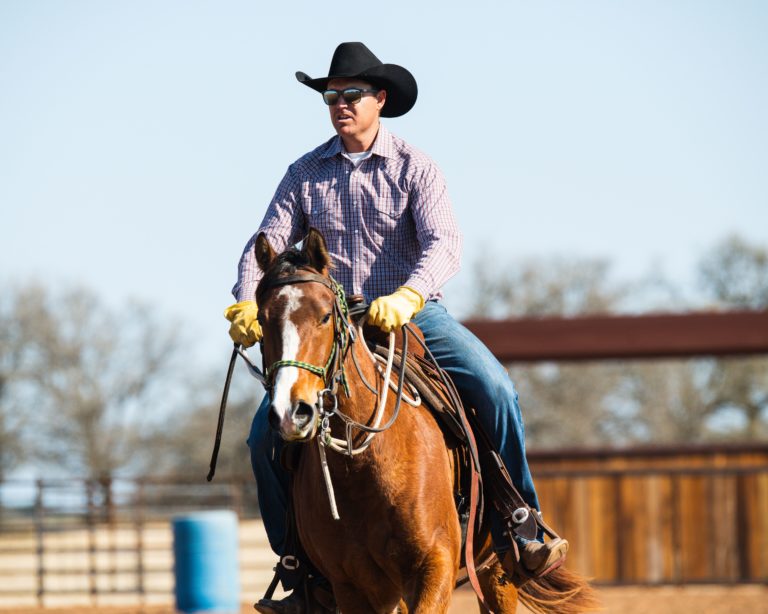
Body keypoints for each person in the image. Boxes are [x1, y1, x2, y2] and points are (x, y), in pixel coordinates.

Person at [225, 42, 568, 613]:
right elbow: (261, 245)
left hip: (412, 315)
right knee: (265, 437)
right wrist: (244, 301)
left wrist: (408, 295)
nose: (340, 105)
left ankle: (519, 525)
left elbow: (444, 243)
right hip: (328, 323)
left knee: (496, 388)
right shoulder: (304, 174)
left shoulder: (416, 166)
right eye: (331, 96)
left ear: (379, 100)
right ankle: (296, 567)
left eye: (351, 95)